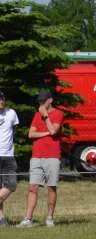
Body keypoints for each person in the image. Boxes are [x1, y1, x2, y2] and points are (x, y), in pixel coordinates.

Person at [20, 90, 63, 228]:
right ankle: (28, 218)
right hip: (37, 156)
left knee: (51, 187)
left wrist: (45, 116)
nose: (41, 103)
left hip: (52, 156)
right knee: (32, 187)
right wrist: (46, 133)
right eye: (39, 101)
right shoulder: (36, 115)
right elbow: (31, 135)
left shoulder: (58, 114)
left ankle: (50, 217)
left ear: (50, 100)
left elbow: (54, 130)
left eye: (43, 101)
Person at [0, 90, 19, 226]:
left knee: (11, 185)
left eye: (2, 98)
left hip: (8, 155)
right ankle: (1, 219)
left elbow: (15, 131)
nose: (1, 101)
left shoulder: (11, 113)